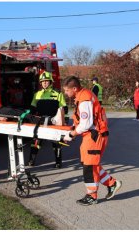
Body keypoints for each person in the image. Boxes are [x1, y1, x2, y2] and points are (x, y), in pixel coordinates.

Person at [62, 77, 121, 205]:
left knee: (89, 167)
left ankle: (91, 196)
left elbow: (85, 124)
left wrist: (72, 134)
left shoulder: (84, 99)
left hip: (94, 136)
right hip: (92, 135)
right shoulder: (83, 95)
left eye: (67, 90)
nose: (65, 93)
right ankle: (112, 183)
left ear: (74, 89)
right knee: (90, 164)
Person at [28, 71, 68, 168]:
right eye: (43, 81)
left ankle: (58, 162)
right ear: (40, 83)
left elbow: (64, 109)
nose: (45, 83)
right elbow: (32, 109)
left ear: (51, 82)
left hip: (53, 122)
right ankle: (31, 161)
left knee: (56, 143)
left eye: (46, 81)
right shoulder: (37, 94)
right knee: (36, 142)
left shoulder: (58, 93)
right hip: (40, 121)